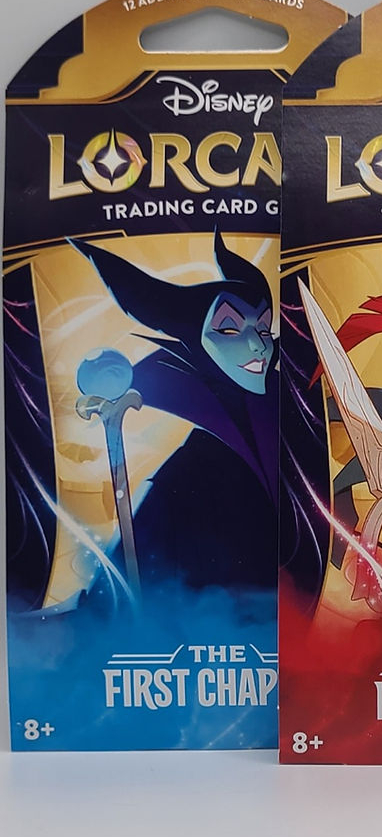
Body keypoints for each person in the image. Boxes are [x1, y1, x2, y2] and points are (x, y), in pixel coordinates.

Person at [72, 231, 277, 593]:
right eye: (229, 328)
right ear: (195, 339)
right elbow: (129, 574)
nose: (258, 345)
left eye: (263, 327)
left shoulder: (284, 429)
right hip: (213, 612)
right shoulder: (187, 474)